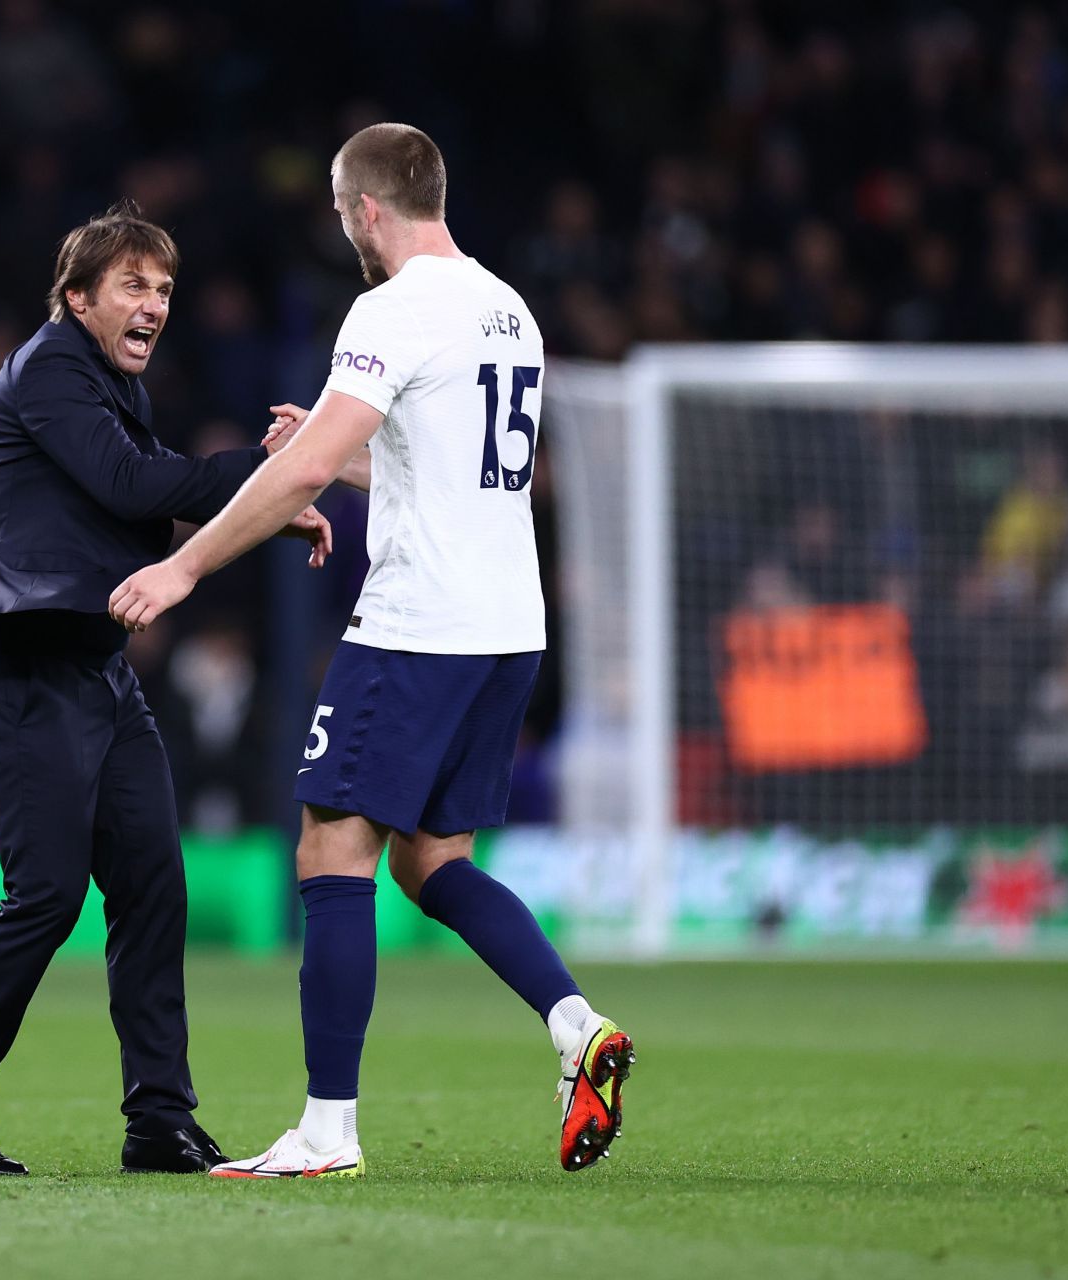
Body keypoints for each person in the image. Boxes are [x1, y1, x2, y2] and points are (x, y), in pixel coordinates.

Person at [110, 124, 632, 1178]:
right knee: (431, 860)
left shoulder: (390, 309)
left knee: (332, 849)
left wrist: (186, 567)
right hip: (507, 631)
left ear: (366, 209)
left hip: (418, 627)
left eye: (344, 212)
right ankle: (576, 1024)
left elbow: (302, 473)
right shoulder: (507, 307)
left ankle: (326, 1129)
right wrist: (349, 450)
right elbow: (462, 473)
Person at [0, 202, 332, 1176]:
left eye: (166, 289)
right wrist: (273, 474)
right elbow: (139, 489)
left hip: (95, 669)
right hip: (23, 667)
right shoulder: (51, 366)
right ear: (77, 296)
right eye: (134, 285)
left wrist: (268, 509)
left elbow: (140, 505)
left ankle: (160, 1117)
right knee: (47, 893)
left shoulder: (106, 386)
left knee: (151, 885)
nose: (155, 304)